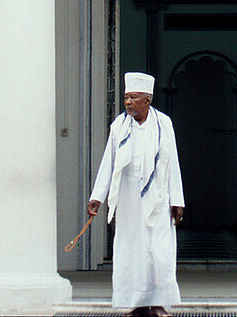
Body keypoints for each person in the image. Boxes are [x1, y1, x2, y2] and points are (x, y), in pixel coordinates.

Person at [88, 72, 185, 317]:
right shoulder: (118, 126)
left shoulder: (164, 124)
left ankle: (159, 303)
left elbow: (172, 162)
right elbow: (108, 162)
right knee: (131, 251)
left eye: (133, 97)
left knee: (159, 251)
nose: (128, 102)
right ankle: (137, 304)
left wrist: (177, 200)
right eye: (126, 98)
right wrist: (97, 196)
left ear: (147, 100)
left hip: (158, 199)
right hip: (128, 199)